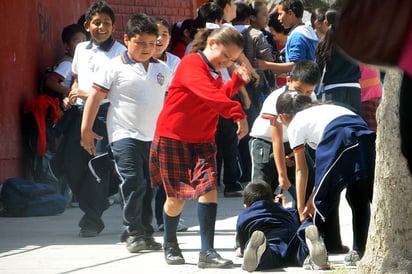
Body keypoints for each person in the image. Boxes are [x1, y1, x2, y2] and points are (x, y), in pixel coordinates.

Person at [149, 26, 251, 268]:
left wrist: (235, 82)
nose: (227, 62)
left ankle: (207, 252)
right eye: (226, 55)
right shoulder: (191, 64)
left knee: (209, 189)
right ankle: (170, 243)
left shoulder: (213, 72)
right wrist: (238, 112)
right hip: (173, 137)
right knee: (176, 199)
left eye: (232, 60)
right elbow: (209, 95)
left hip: (203, 139)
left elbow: (215, 96)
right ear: (212, 43)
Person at [80, 13, 171, 252]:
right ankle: (133, 232)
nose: (146, 48)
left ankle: (145, 232)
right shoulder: (113, 67)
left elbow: (171, 101)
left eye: (151, 44)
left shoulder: (162, 69)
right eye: (140, 43)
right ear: (127, 39)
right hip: (124, 135)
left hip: (153, 138)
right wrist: (85, 130)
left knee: (150, 186)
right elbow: (95, 98)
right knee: (133, 182)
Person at [51, 1, 126, 238]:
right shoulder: (81, 49)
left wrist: (89, 94)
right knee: (70, 164)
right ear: (87, 25)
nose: (101, 27)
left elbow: (120, 90)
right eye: (96, 22)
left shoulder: (121, 52)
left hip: (104, 115)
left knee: (97, 167)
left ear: (113, 26)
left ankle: (92, 219)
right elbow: (76, 79)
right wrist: (71, 95)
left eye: (106, 23)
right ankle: (101, 200)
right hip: (79, 114)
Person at [276, 92, 375, 263]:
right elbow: (325, 172)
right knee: (359, 197)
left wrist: (301, 208)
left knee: (321, 201)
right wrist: (313, 194)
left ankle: (314, 253)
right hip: (364, 139)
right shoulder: (326, 108)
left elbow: (301, 170)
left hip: (339, 139)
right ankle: (360, 250)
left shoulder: (295, 124)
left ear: (282, 116)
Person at [249, 60, 320, 197]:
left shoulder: (311, 98)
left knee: (310, 181)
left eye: (309, 91)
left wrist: (292, 154)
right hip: (266, 142)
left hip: (292, 143)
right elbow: (276, 139)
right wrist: (282, 175)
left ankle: (300, 216)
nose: (302, 95)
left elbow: (307, 131)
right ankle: (258, 214)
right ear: (289, 80)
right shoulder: (276, 99)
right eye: (299, 90)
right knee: (261, 188)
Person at [236, 180, 329, 271]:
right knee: (300, 248)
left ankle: (260, 247)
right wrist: (287, 208)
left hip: (271, 247)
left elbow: (243, 244)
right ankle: (307, 240)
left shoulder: (244, 216)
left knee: (264, 258)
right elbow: (294, 220)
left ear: (246, 206)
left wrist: (242, 249)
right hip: (290, 244)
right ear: (273, 200)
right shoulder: (284, 211)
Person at [151, 16, 188, 232]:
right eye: (155, 34)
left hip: (168, 126)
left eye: (164, 34)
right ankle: (138, 223)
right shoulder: (136, 61)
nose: (159, 39)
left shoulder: (175, 63)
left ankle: (165, 219)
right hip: (142, 125)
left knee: (167, 176)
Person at [315, 9, 361, 114]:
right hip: (354, 90)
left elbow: (319, 70)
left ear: (326, 23)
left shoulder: (323, 44)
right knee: (354, 125)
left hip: (333, 91)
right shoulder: (354, 41)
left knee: (336, 126)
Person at [254, 0, 318, 75]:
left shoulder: (297, 36)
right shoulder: (309, 32)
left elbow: (295, 66)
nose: (278, 18)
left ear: (290, 13)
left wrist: (266, 65)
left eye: (280, 14)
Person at [43, 24, 87, 107]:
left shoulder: (78, 62)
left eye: (84, 41)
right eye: (77, 41)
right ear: (67, 46)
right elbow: (50, 82)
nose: (81, 45)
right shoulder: (68, 64)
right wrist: (69, 92)